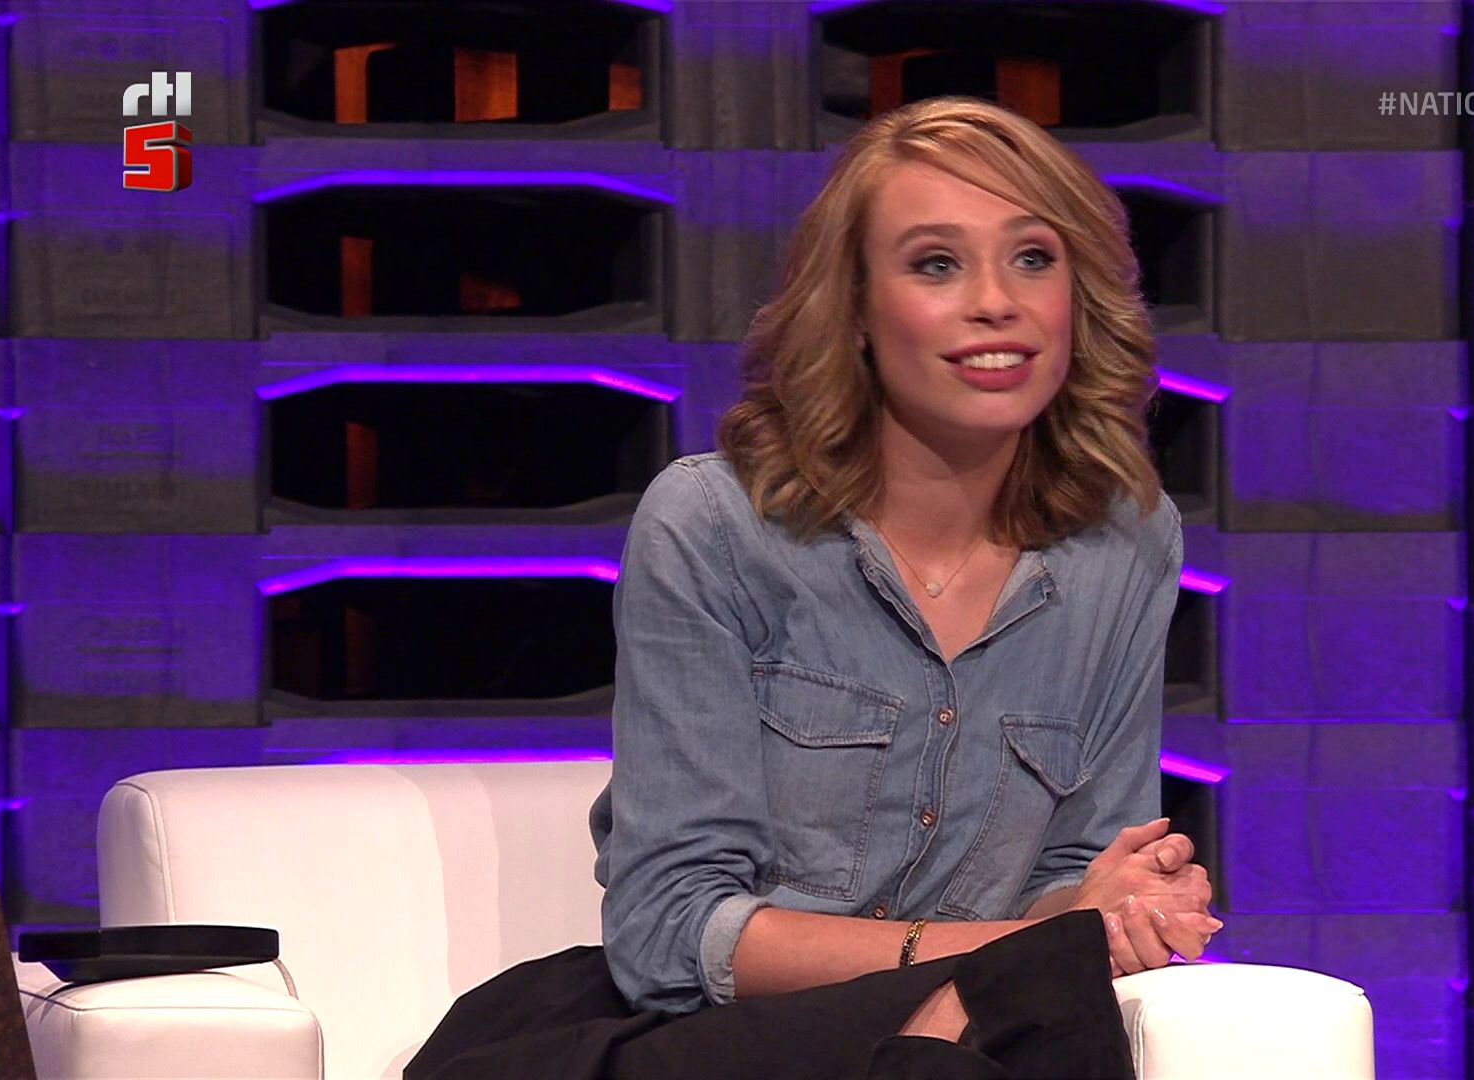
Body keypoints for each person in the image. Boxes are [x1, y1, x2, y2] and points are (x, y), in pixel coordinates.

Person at [406, 95, 1220, 1080]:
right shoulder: (715, 526)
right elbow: (670, 934)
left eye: (1033, 258)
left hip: (980, 1031)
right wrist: (1007, 958)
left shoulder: (1126, 543)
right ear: (857, 310)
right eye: (936, 264)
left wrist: (1126, 908)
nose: (996, 301)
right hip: (705, 1043)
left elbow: (1073, 881)